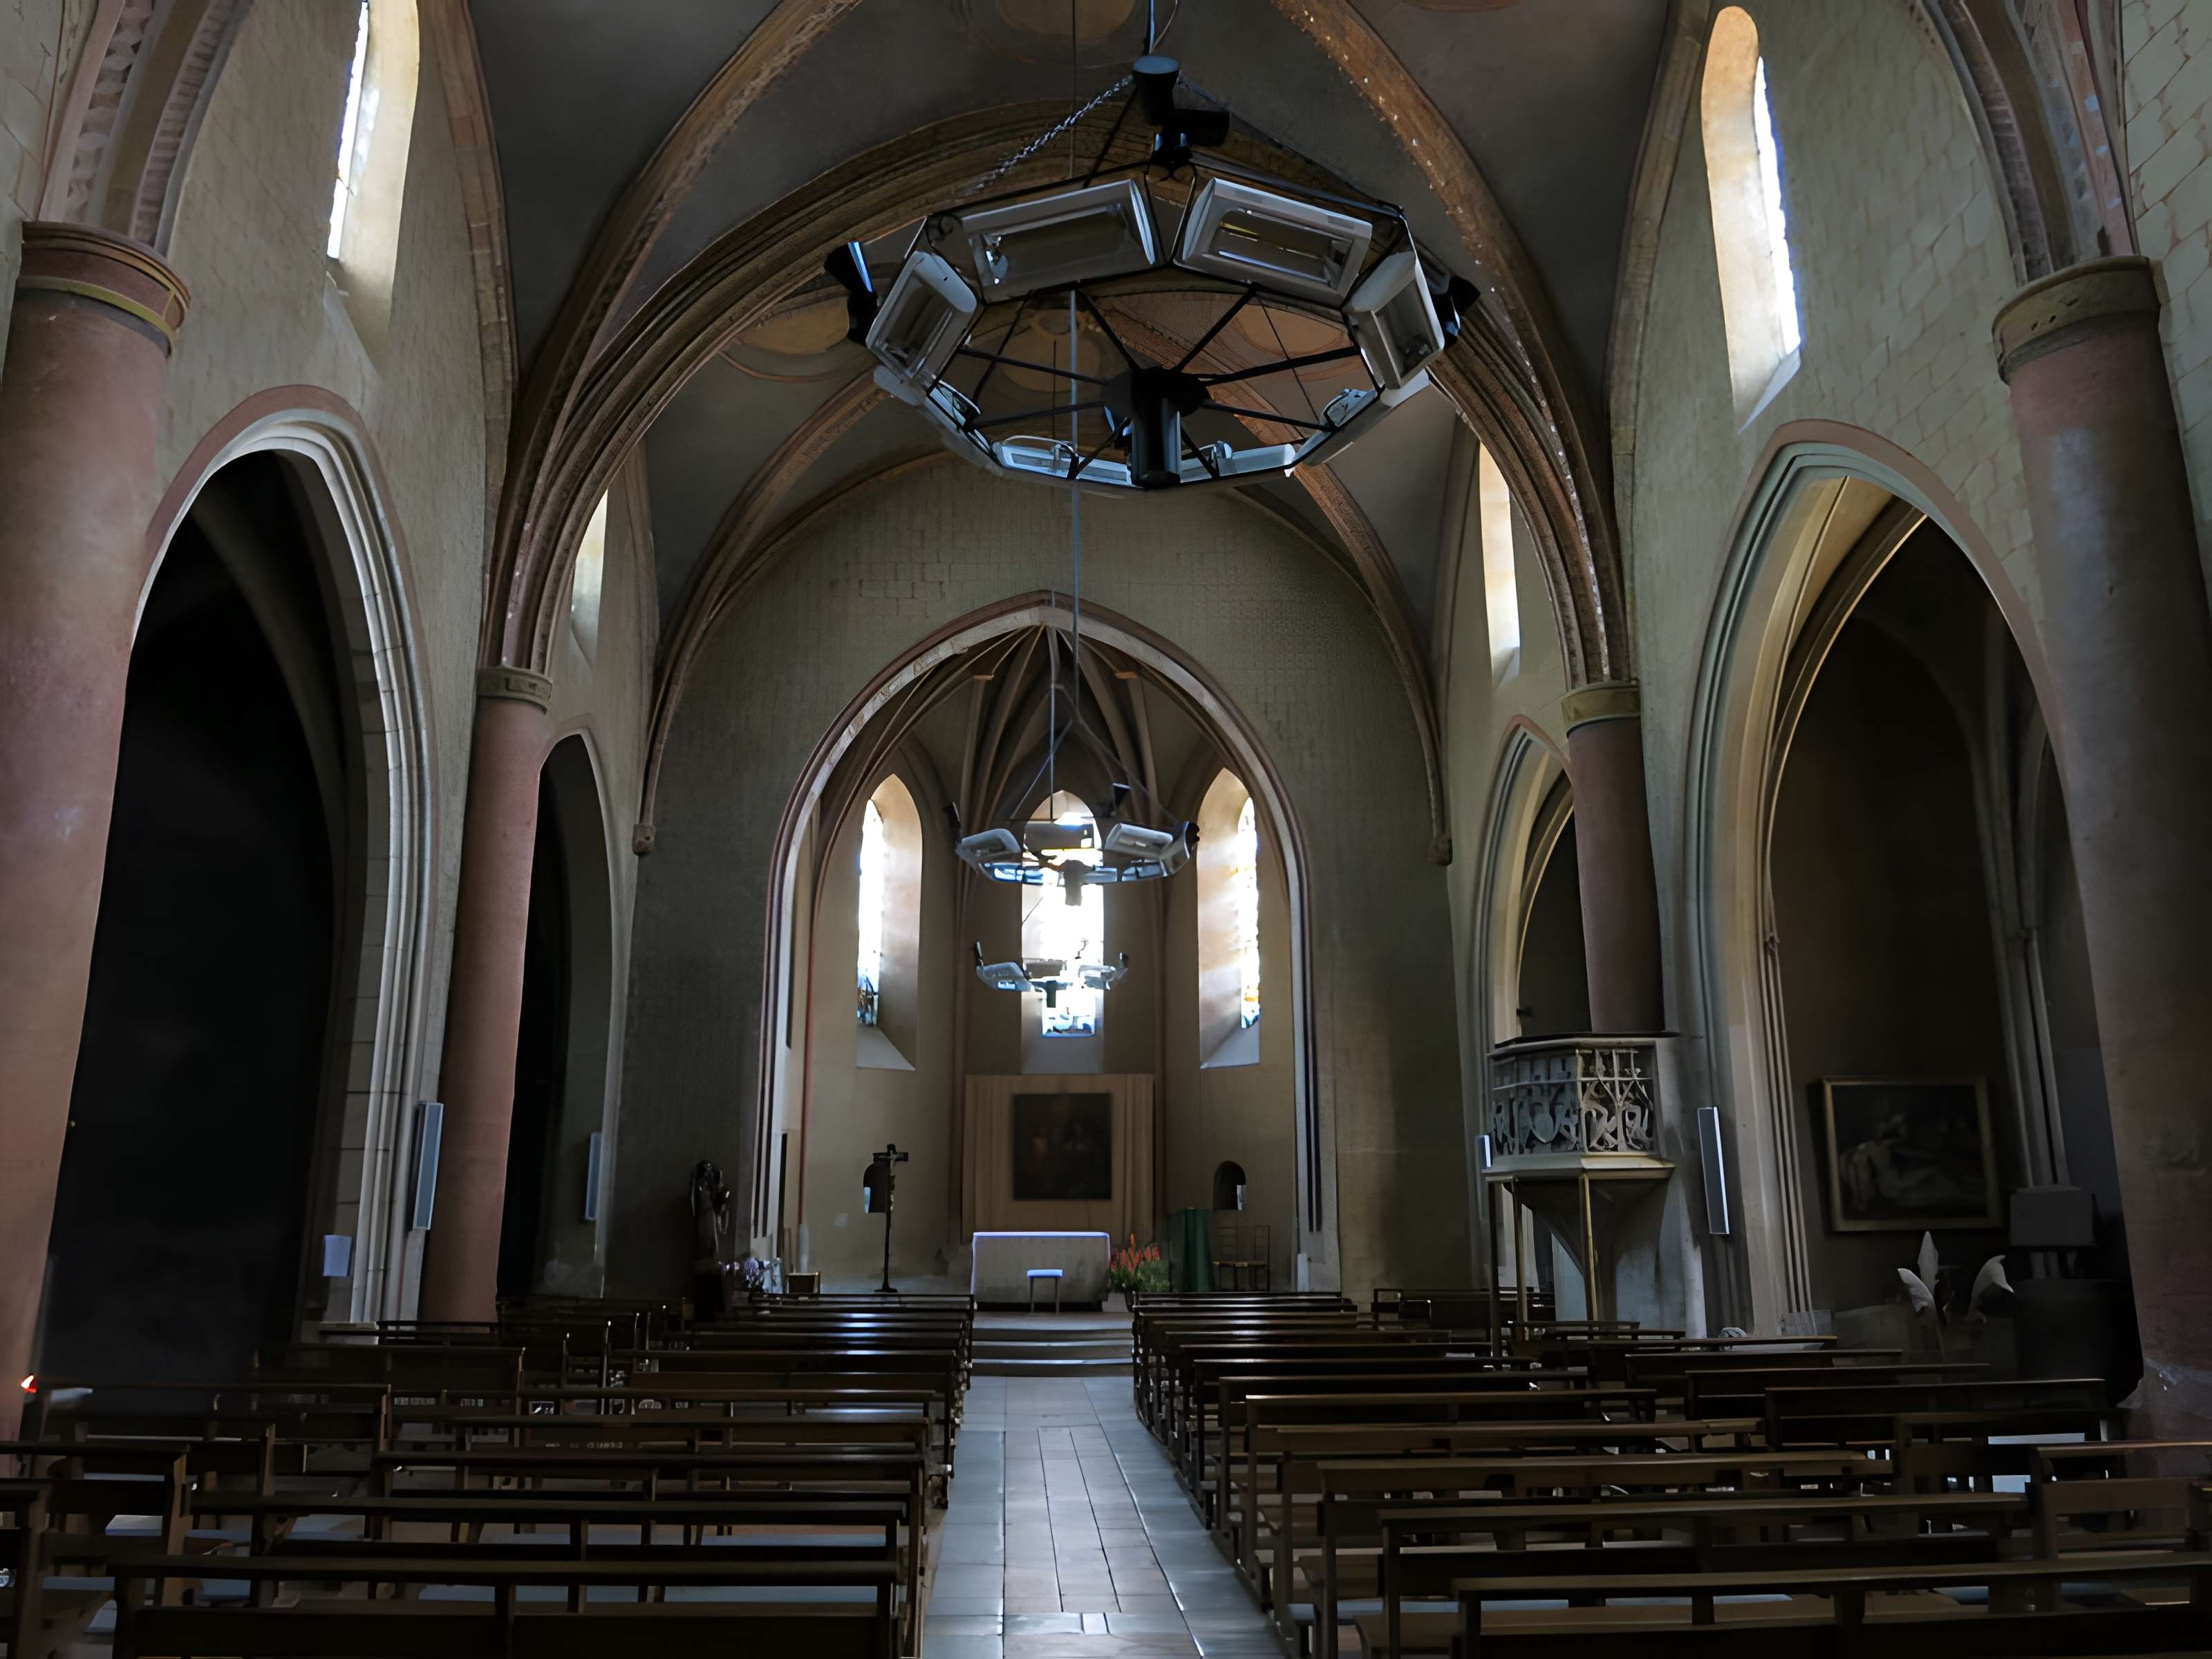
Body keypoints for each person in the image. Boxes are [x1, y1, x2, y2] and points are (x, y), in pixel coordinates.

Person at [688, 1159, 732, 1318]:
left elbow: (720, 1210)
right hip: (705, 1241)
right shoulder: (701, 1191)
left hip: (710, 1242)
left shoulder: (713, 1194)